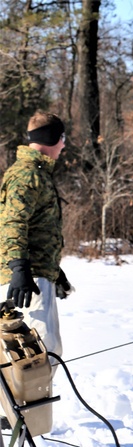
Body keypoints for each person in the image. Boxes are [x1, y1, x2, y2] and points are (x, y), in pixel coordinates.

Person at [0, 111, 73, 359]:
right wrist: (20, 268)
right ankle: (22, 399)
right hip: (27, 279)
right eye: (62, 137)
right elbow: (12, 223)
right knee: (40, 352)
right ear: (52, 138)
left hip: (39, 272)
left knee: (46, 351)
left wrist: (54, 269)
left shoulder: (37, 173)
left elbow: (37, 228)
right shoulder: (27, 174)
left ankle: (32, 398)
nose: (64, 144)